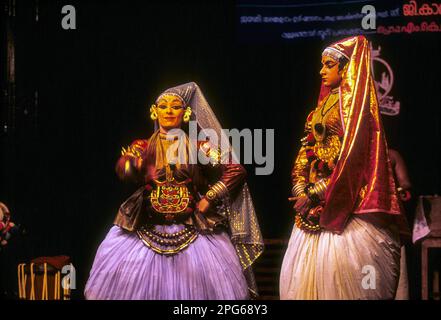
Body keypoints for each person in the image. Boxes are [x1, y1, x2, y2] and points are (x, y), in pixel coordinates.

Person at [84, 82, 263, 300]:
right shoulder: (142, 146)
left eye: (175, 106)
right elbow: (124, 167)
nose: (169, 111)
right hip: (146, 224)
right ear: (154, 111)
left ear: (186, 113)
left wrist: (210, 196)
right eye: (163, 106)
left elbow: (236, 170)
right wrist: (134, 165)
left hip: (192, 227)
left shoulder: (199, 148)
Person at [280, 36, 408, 299]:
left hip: (347, 208)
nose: (321, 71)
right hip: (312, 211)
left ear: (345, 68)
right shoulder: (318, 111)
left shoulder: (358, 112)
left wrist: (314, 193)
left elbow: (352, 161)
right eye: (322, 65)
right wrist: (300, 186)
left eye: (328, 65)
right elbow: (305, 151)